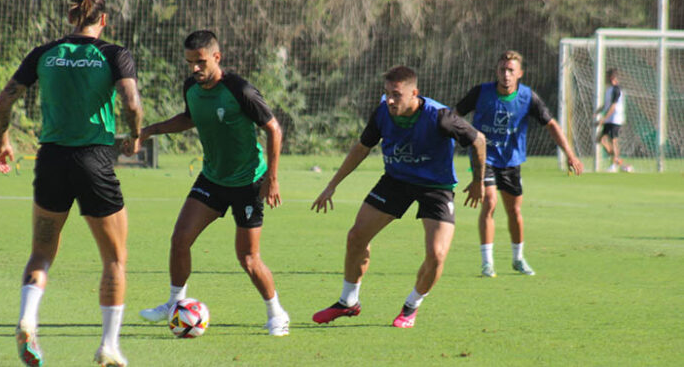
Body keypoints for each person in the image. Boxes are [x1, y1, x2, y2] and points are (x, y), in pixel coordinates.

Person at [0, 0, 143, 366]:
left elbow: (5, 99)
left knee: (41, 253)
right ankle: (108, 346)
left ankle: (28, 319)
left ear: (72, 17)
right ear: (103, 19)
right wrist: (136, 136)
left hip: (51, 161)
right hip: (94, 161)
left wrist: (3, 140)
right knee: (115, 259)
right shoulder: (113, 54)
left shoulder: (45, 53)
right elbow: (131, 103)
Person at [138, 30, 289, 336]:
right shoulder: (191, 87)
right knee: (180, 239)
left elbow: (273, 129)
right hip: (212, 178)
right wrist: (150, 130)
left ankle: (277, 313)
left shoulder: (240, 90)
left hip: (248, 182)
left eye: (200, 61)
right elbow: (190, 117)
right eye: (189, 62)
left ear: (216, 58)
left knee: (248, 258)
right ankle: (175, 303)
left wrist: (271, 179)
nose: (194, 68)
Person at [311, 66, 486, 328]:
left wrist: (478, 182)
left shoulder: (440, 117)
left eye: (396, 95)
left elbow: (479, 140)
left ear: (414, 93)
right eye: (387, 94)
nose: (390, 100)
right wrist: (332, 185)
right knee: (356, 237)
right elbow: (362, 148)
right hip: (396, 181)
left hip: (436, 187)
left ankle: (411, 306)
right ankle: (348, 302)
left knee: (437, 255)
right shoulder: (383, 112)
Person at [454, 50, 583, 278]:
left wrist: (570, 155)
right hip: (484, 159)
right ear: (497, 71)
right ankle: (487, 263)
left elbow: (551, 124)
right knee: (490, 202)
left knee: (514, 211)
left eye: (511, 70)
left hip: (512, 161)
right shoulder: (480, 93)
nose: (506, 74)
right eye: (502, 69)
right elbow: (453, 116)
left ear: (520, 73)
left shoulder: (528, 97)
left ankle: (518, 258)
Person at [595, 68, 630, 172]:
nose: (606, 78)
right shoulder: (609, 89)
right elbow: (607, 105)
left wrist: (603, 118)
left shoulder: (617, 89)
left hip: (615, 118)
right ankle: (618, 161)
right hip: (609, 119)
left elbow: (613, 106)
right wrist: (597, 112)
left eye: (608, 76)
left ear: (612, 77)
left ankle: (614, 165)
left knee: (614, 141)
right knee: (600, 139)